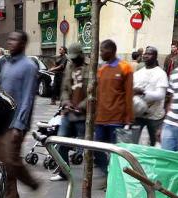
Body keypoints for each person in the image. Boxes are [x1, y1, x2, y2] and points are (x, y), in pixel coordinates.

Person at [0, 31, 41, 198]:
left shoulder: (29, 66)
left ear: (23, 44)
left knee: (11, 160)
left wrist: (19, 126)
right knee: (2, 159)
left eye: (15, 40)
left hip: (16, 123)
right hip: (2, 120)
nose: (10, 42)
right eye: (9, 39)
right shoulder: (4, 63)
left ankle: (34, 185)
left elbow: (28, 97)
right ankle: (10, 197)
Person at [94, 39, 133, 176]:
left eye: (102, 50)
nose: (100, 53)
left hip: (117, 118)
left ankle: (115, 176)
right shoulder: (101, 70)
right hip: (101, 118)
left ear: (111, 51)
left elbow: (129, 94)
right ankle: (108, 172)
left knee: (117, 151)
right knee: (96, 148)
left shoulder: (125, 67)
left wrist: (129, 118)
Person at [51, 43, 88, 182]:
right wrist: (66, 101)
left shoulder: (90, 67)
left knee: (91, 146)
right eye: (71, 58)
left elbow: (94, 92)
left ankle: (106, 173)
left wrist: (82, 105)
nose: (73, 60)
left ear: (81, 54)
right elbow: (65, 88)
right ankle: (64, 172)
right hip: (68, 113)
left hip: (84, 115)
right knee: (61, 143)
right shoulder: (69, 66)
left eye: (75, 57)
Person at [133, 46, 168, 146]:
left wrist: (142, 93)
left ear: (155, 57)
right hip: (138, 114)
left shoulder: (161, 74)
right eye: (145, 54)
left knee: (155, 143)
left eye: (149, 54)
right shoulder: (138, 73)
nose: (146, 56)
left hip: (155, 116)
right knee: (132, 141)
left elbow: (161, 95)